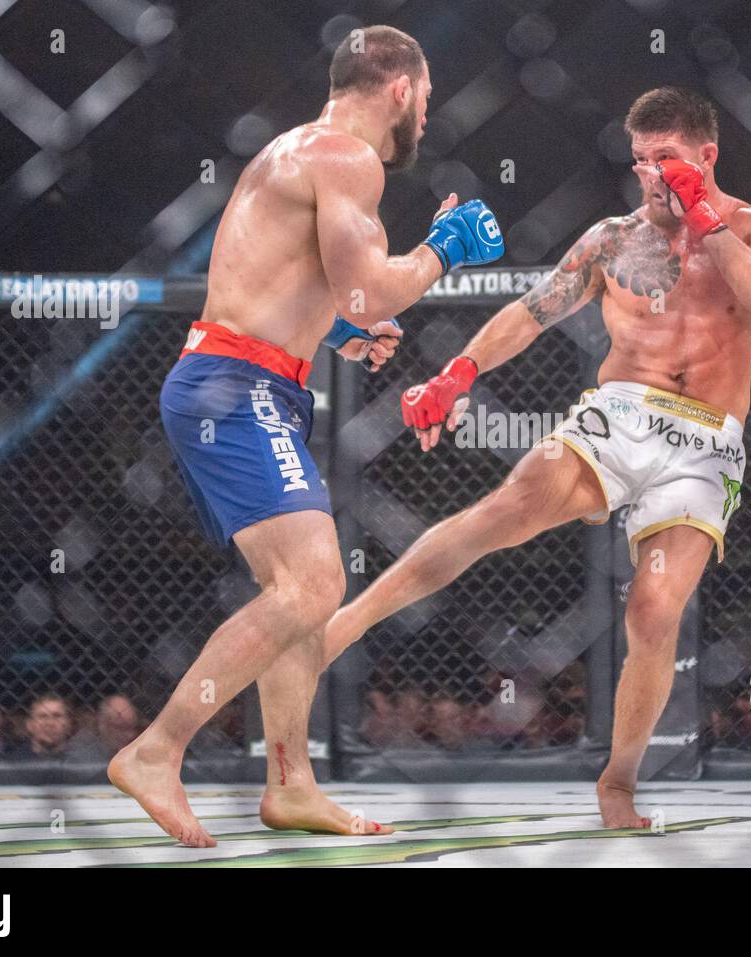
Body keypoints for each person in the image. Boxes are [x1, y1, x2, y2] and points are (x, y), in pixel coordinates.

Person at [325, 86, 751, 827]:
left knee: (651, 609)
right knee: (502, 511)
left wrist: (708, 222)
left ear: (706, 155)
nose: (651, 175)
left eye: (667, 159)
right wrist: (457, 375)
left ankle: (619, 780)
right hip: (617, 416)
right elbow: (533, 309)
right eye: (641, 161)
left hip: (704, 445)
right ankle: (341, 628)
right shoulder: (613, 238)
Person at [109, 25, 504, 846]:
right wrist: (444, 247)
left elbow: (285, 276)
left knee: (296, 594)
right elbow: (368, 291)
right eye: (425, 101)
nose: (425, 119)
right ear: (400, 88)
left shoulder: (293, 150)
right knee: (313, 585)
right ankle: (158, 749)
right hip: (236, 385)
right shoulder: (346, 158)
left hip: (248, 380)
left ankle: (291, 784)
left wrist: (332, 334)